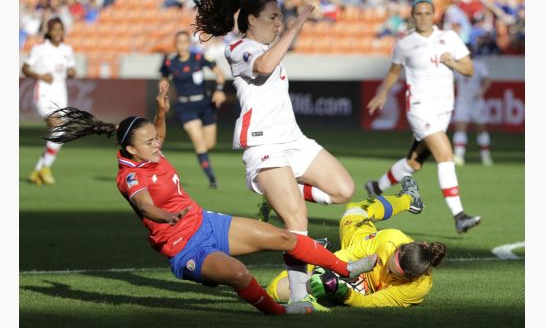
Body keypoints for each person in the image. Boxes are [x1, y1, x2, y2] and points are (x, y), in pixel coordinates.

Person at [43, 83, 380, 315]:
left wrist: (161, 111)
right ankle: (280, 311)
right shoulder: (130, 175)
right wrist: (164, 216)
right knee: (238, 275)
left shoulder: (149, 153)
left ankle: (346, 269)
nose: (157, 144)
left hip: (207, 223)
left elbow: (158, 134)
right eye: (148, 143)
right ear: (131, 149)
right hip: (184, 247)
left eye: (154, 140)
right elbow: (145, 204)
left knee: (285, 237)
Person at [188, 0, 359, 305]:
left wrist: (269, 3)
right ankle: (298, 299)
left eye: (280, 18)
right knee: (297, 220)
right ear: (251, 20)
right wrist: (296, 24)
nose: (279, 23)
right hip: (264, 144)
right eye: (272, 17)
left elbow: (269, 44)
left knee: (343, 190)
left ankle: (281, 191)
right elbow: (264, 65)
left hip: (293, 140)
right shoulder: (238, 48)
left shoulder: (263, 40)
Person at [365, 0, 481, 235]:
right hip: (419, 108)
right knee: (446, 155)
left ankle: (377, 186)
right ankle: (459, 215)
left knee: (414, 163)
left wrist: (452, 63)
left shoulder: (449, 38)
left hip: (444, 110)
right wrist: (383, 93)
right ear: (412, 16)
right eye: (418, 14)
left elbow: (469, 69)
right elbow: (393, 71)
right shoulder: (405, 44)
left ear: (434, 15)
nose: (423, 17)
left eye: (427, 13)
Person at [266, 176, 447, 308]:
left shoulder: (417, 288)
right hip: (355, 258)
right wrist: (323, 266)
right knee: (354, 211)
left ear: (409, 278)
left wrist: (344, 294)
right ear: (398, 249)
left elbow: (371, 302)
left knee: (274, 290)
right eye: (387, 262)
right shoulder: (391, 240)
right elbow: (349, 254)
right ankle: (408, 199)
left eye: (392, 272)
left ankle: (314, 255)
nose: (386, 269)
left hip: (358, 289)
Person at [159, 30, 226, 188]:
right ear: (175, 45)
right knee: (198, 141)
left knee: (208, 144)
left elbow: (219, 73)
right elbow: (163, 78)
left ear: (189, 44)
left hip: (205, 104)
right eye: (178, 42)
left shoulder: (199, 58)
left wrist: (219, 90)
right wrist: (162, 95)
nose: (181, 45)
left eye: (184, 42)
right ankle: (212, 180)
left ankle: (206, 166)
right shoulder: (170, 62)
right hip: (185, 106)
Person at [22, 17, 76, 185]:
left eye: (61, 29)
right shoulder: (40, 49)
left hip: (61, 92)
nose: (58, 32)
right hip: (44, 91)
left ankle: (39, 170)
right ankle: (45, 169)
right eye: (55, 29)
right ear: (49, 31)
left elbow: (70, 68)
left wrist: (73, 71)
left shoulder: (67, 49)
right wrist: (40, 76)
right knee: (57, 126)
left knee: (60, 132)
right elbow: (25, 68)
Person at [452, 45, 493, 166]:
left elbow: (487, 80)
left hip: (476, 102)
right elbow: (453, 83)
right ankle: (459, 156)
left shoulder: (479, 65)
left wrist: (481, 91)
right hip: (462, 101)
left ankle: (485, 157)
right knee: (460, 127)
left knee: (481, 128)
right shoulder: (457, 66)